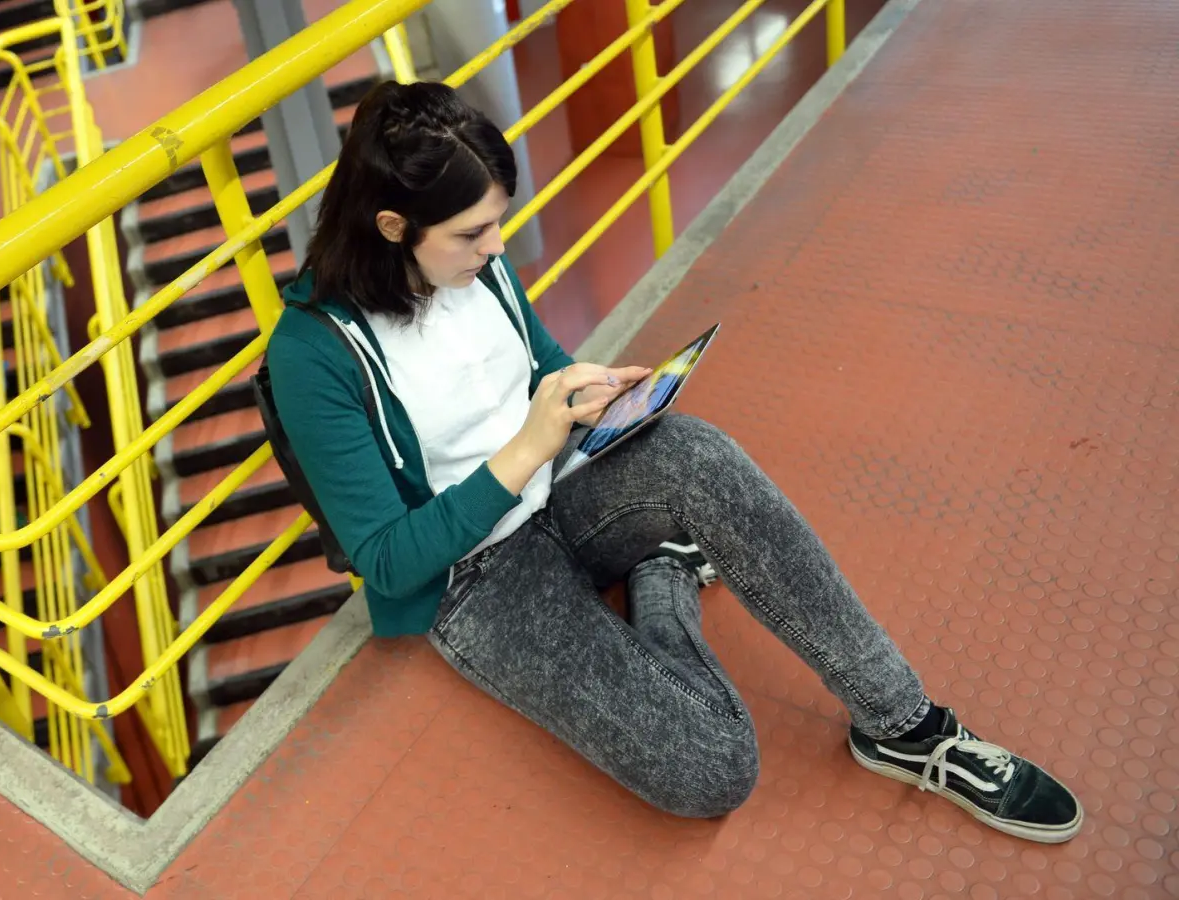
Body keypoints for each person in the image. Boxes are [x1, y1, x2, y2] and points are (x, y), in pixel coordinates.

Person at [265, 81, 1082, 844]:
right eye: (475, 233)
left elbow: (540, 365)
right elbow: (387, 561)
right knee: (713, 770)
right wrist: (526, 450)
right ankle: (663, 579)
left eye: (498, 221)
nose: (498, 245)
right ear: (392, 228)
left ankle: (904, 725)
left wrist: (589, 392)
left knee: (695, 452)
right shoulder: (313, 354)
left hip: (563, 487)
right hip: (474, 580)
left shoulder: (477, 269)